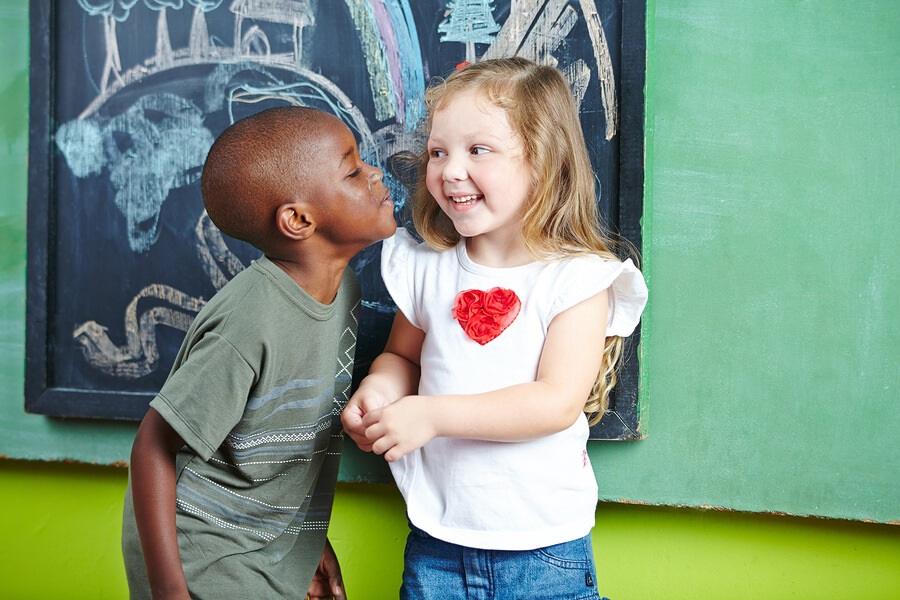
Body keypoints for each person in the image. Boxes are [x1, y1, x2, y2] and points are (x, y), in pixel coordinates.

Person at [341, 57, 648, 599]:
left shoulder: (577, 280)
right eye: (439, 152)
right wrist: (381, 390)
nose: (450, 170)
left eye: (477, 150)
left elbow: (555, 402)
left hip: (543, 551)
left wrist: (432, 415)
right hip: (436, 540)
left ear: (543, 163)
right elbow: (403, 357)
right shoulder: (428, 268)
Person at [121, 106, 397, 600]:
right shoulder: (250, 322)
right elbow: (153, 447)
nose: (375, 172)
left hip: (264, 553)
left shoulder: (343, 292)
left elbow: (281, 437)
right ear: (298, 219)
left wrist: (307, 543)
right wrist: (169, 592)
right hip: (206, 560)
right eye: (353, 170)